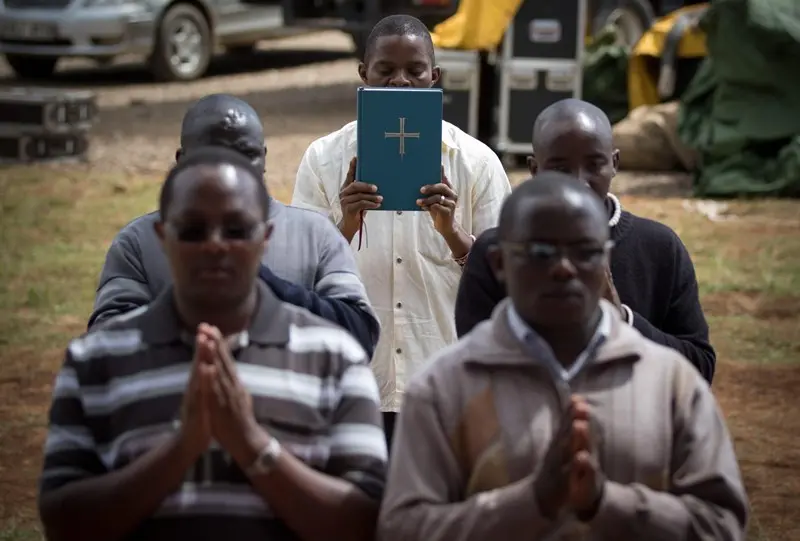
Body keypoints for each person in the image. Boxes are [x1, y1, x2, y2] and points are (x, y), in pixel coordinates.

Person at [39, 147, 387, 541]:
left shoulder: (336, 359)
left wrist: (251, 444)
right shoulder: (95, 360)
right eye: (193, 230)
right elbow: (62, 522)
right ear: (161, 236)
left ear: (265, 238)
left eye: (236, 229)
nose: (215, 245)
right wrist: (181, 449)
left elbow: (365, 522)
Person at [379, 173, 748, 541]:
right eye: (541, 252)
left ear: (605, 260)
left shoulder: (670, 382)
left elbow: (721, 525)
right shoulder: (444, 388)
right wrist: (532, 501)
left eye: (584, 252)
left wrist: (605, 502)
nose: (563, 268)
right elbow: (404, 528)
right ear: (499, 264)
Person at [291, 14, 511, 446]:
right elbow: (299, 279)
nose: (400, 84)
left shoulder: (476, 162)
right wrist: (345, 226)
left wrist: (452, 233)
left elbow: (505, 282)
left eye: (415, 71)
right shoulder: (322, 159)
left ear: (435, 77)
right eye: (385, 71)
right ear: (363, 75)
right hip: (354, 382)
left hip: (443, 381)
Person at [89, 94, 380, 358]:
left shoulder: (316, 235)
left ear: (264, 158)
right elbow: (105, 345)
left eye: (244, 153)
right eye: (211, 151)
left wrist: (261, 282)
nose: (228, 165)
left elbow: (358, 334)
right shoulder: (139, 242)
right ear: (181, 160)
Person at [454, 98, 715, 382]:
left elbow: (698, 368)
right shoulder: (498, 252)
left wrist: (623, 320)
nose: (579, 181)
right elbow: (473, 368)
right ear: (534, 169)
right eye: (561, 168)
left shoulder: (659, 248)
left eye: (594, 164)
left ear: (614, 163)